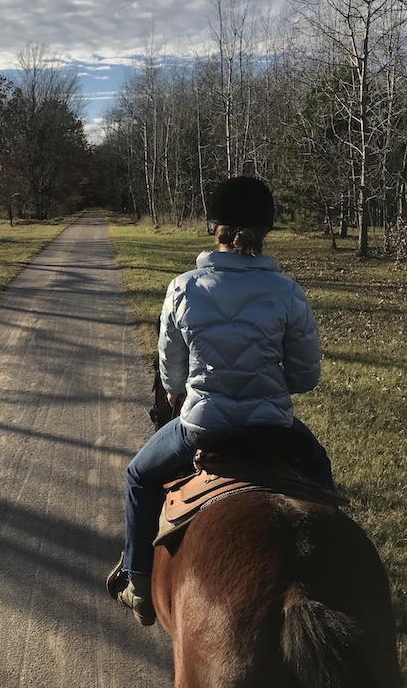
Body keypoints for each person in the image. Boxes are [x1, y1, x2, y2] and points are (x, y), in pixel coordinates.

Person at [107, 176, 334, 626]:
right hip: (274, 427)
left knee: (139, 476)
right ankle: (328, 570)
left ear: (215, 227)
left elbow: (170, 370)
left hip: (203, 425)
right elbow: (306, 376)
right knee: (320, 471)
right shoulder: (289, 292)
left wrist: (178, 390)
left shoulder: (184, 288)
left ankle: (138, 584)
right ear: (264, 230)